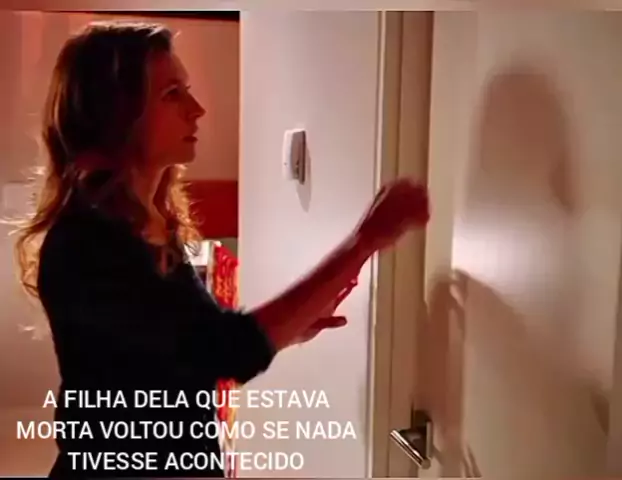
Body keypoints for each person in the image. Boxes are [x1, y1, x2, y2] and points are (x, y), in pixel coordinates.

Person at [12, 21, 430, 478]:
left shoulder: (150, 224)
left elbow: (191, 345)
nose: (197, 110)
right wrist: (365, 241)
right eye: (172, 94)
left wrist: (292, 325)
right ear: (116, 113)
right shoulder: (85, 243)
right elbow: (225, 349)